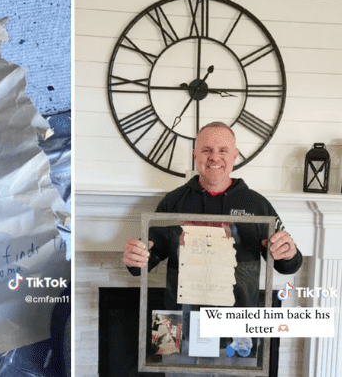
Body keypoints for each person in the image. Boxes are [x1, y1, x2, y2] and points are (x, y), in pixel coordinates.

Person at [122, 122, 302, 375]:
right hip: (177, 328)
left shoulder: (257, 205)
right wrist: (134, 257)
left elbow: (288, 265)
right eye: (206, 150)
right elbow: (142, 266)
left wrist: (289, 253)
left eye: (222, 150)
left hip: (238, 330)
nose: (214, 157)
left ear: (235, 155)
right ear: (195, 154)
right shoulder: (173, 202)